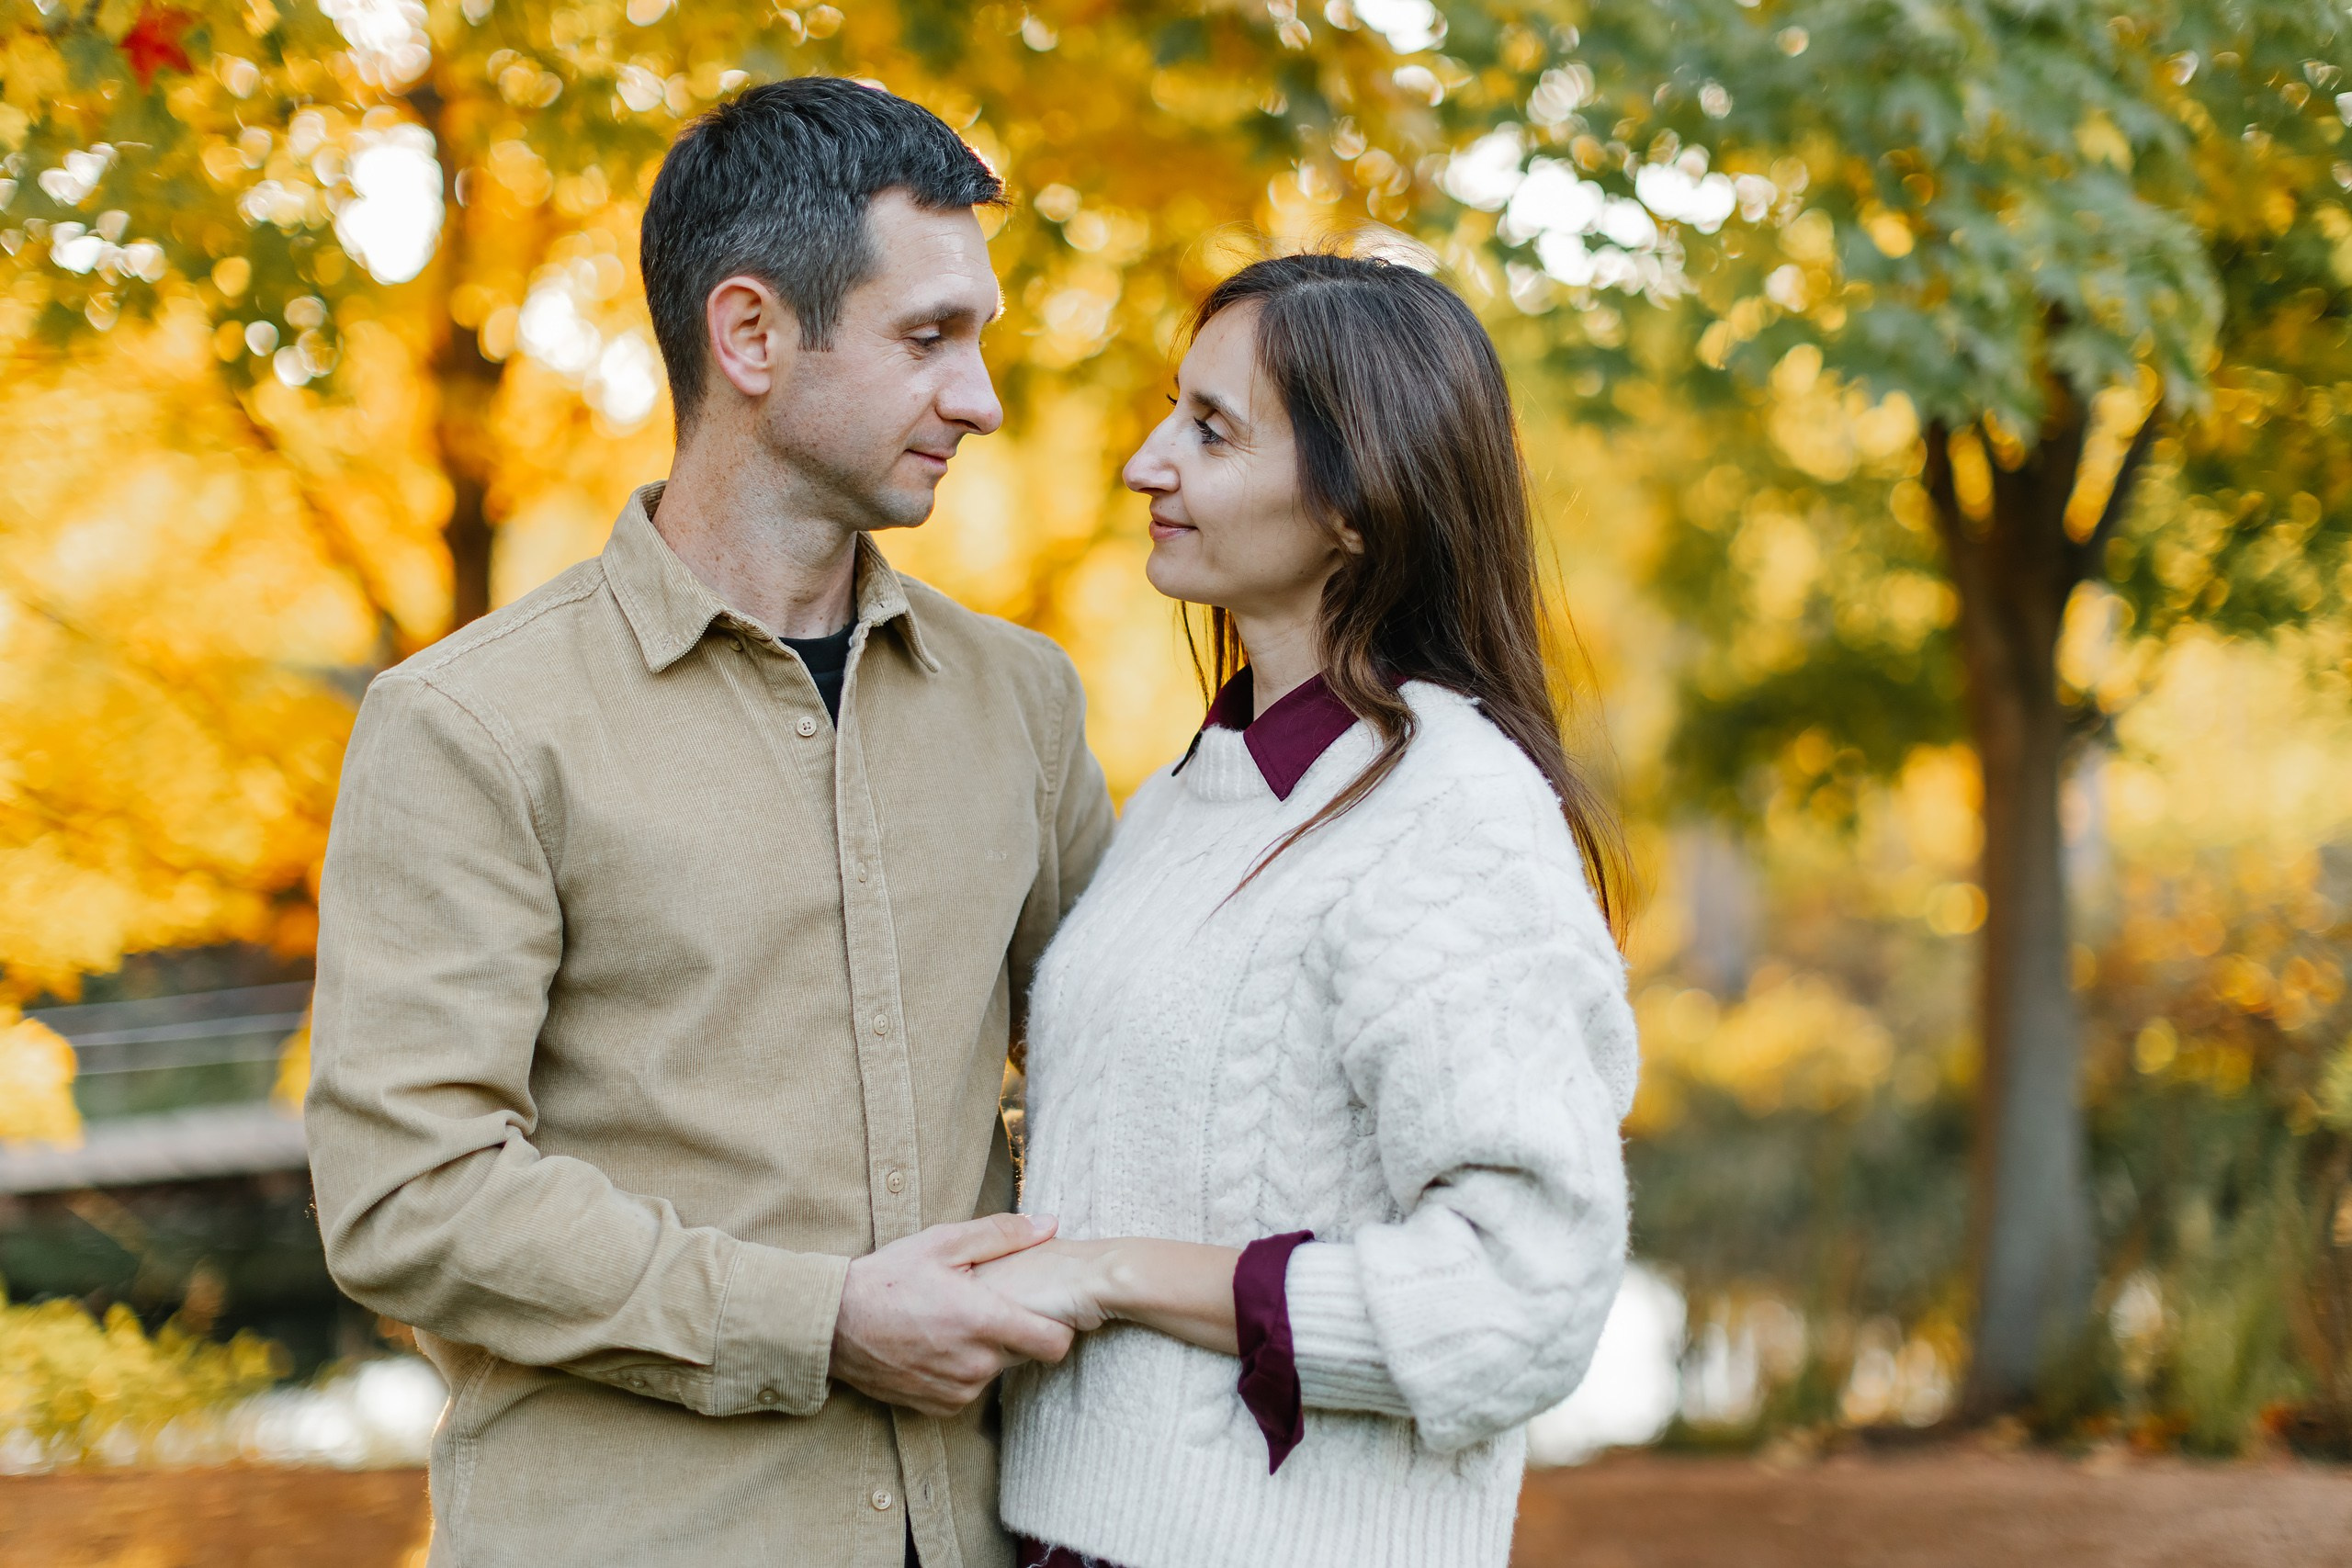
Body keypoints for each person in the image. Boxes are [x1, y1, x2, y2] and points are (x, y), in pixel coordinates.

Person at [305, 79, 1114, 1568]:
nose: (982, 396)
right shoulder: (472, 725)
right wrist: (824, 1323)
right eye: (929, 338)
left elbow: (1123, 1089)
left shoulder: (1024, 705)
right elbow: (410, 1197)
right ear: (749, 335)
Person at [976, 253, 1641, 1568]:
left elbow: (1524, 1299)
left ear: (1354, 506)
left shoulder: (1449, 815)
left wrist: (1112, 1271)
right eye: (1174, 411)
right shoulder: (1196, 793)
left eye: (1211, 431)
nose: (1146, 462)